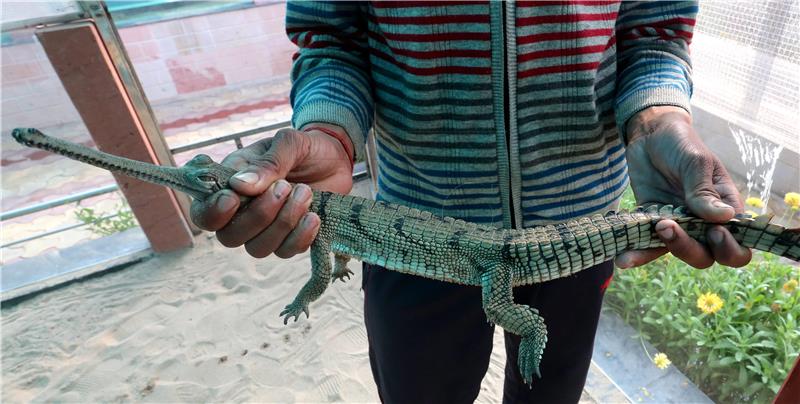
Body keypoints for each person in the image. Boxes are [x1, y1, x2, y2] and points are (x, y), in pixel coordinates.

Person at [191, 1, 752, 402]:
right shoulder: (324, 220)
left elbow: (653, 34)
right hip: (420, 211)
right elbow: (331, 39)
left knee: (550, 388)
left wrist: (658, 118)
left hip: (580, 215)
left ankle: (528, 328)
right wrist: (330, 133)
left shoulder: (327, 230)